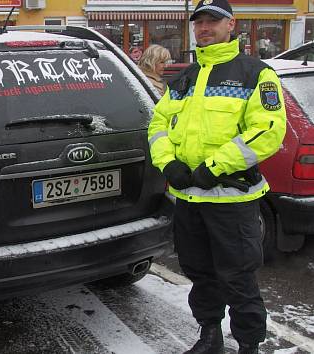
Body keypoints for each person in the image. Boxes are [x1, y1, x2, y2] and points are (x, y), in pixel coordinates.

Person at [147, 0, 286, 353]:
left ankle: (248, 345)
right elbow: (158, 124)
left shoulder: (256, 73)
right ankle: (210, 336)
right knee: (200, 275)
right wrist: (168, 164)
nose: (204, 28)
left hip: (232, 201)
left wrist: (214, 167)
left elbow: (268, 130)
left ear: (230, 25)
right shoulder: (183, 78)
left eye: (212, 21)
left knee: (239, 278)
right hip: (190, 200)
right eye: (199, 23)